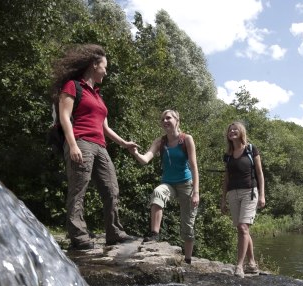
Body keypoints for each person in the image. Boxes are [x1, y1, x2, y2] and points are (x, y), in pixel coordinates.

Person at [51, 44, 137, 249]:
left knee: (111, 188)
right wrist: (72, 146)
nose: (106, 71)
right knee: (79, 188)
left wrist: (124, 143)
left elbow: (105, 127)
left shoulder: (98, 96)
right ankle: (78, 236)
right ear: (93, 65)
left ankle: (114, 232)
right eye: (104, 67)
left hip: (100, 147)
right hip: (81, 142)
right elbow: (64, 117)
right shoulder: (73, 86)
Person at [130, 110, 200, 264]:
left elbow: (194, 167)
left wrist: (196, 192)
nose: (165, 121)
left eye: (168, 118)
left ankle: (188, 259)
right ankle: (154, 234)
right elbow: (145, 159)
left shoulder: (186, 139)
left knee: (187, 226)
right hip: (168, 183)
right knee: (157, 192)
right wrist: (135, 152)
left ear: (177, 120)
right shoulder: (160, 142)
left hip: (186, 184)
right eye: (163, 119)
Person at [220, 121, 266, 278]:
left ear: (241, 132)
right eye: (230, 130)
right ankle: (252, 264)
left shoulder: (251, 150)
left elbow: (260, 173)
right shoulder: (228, 155)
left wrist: (262, 195)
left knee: (242, 227)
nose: (232, 131)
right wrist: (223, 199)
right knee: (242, 229)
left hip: (249, 192)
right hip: (233, 193)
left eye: (235, 129)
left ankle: (239, 266)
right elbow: (226, 178)